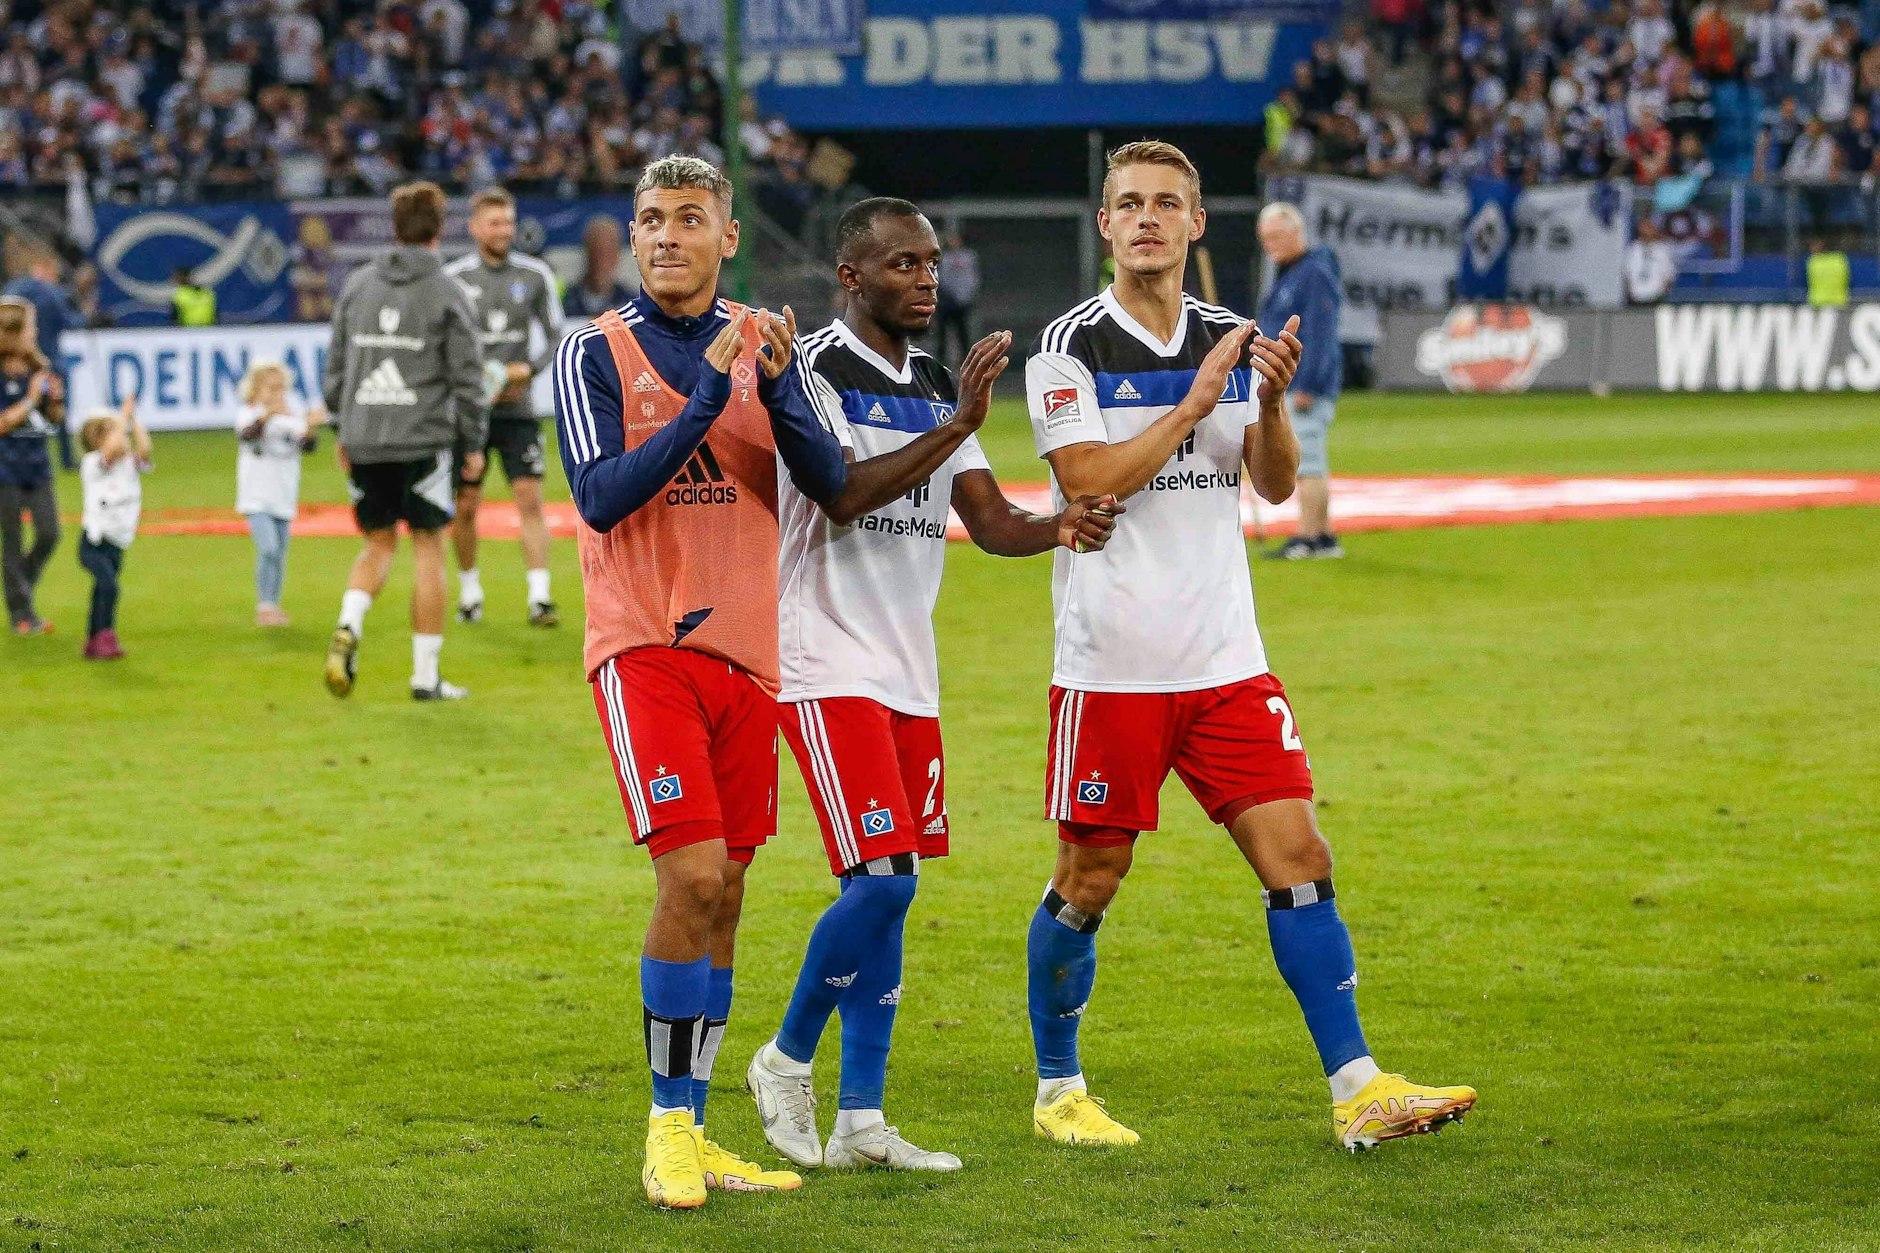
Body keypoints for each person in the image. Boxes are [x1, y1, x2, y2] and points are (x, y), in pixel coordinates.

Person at [1022, 141, 1475, 1152]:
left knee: (1300, 857)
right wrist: (1193, 403)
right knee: (1089, 876)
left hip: (1225, 660)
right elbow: (1090, 480)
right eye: (1127, 204)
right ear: (1104, 226)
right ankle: (1058, 1086)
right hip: (1112, 667)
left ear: (1194, 224)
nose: (1145, 218)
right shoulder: (1067, 347)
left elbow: (1268, 484)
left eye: (1165, 204)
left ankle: (1356, 1087)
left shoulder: (1234, 333)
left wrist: (1265, 401)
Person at [743, 199, 1120, 1174]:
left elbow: (990, 522)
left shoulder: (934, 381)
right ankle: (783, 1059)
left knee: (888, 892)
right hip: (822, 660)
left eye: (932, 262)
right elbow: (838, 491)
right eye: (902, 263)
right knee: (883, 877)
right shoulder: (811, 364)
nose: (926, 277)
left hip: (908, 671)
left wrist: (1063, 523)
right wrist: (956, 422)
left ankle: (861, 1121)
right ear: (852, 275)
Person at [551, 154, 848, 1209]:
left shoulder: (773, 346)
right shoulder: (592, 350)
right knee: (690, 881)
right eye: (649, 219)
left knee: (727, 898)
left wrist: (767, 381)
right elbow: (598, 496)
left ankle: (701, 1118)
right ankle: (666, 1125)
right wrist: (705, 400)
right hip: (644, 649)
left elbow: (834, 486)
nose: (665, 234)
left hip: (750, 659)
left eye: (688, 219)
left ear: (728, 237)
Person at [322, 180, 487, 702]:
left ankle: (350, 621)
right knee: (428, 548)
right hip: (421, 441)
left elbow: (337, 370)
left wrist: (342, 426)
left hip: (364, 437)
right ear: (440, 229)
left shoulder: (359, 285)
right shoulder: (447, 291)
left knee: (375, 544)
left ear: (394, 228)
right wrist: (475, 443)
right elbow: (468, 377)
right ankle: (425, 675)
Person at [442, 187, 565, 627]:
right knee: (465, 505)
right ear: (475, 228)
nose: (503, 230)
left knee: (529, 499)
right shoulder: (454, 278)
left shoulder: (534, 275)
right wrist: (470, 378)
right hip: (471, 412)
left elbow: (555, 336)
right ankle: (471, 591)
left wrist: (526, 371)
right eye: (494, 223)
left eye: (508, 222)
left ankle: (540, 596)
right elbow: (443, 340)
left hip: (518, 409)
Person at [1256, 201, 1345, 560]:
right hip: (1295, 379)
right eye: (1266, 239)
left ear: (1297, 233)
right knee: (1311, 459)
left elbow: (1321, 332)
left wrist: (1308, 382)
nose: (1271, 245)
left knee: (1307, 462)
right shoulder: (1294, 271)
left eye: (1277, 236)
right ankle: (1322, 535)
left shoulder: (1313, 273)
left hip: (1304, 383)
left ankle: (1308, 538)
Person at [236, 361, 324, 626]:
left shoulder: (291, 417)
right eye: (270, 388)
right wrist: (268, 415)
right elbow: (247, 435)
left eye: (280, 388)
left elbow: (307, 445)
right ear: (255, 390)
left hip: (283, 495)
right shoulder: (247, 414)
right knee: (269, 548)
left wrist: (311, 426)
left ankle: (273, 603)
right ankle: (264, 605)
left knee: (280, 553)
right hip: (255, 497)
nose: (276, 394)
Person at [0, 295, 65, 634]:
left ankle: (18, 589)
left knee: (49, 533)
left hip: (37, 464)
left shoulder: (41, 368)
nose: (35, 332)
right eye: (30, 326)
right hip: (5, 469)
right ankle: (21, 614)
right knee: (11, 541)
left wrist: (55, 401)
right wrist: (30, 400)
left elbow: (54, 419)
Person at [76, 396, 150, 660]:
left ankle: (93, 638)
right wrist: (122, 417)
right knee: (109, 586)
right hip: (94, 542)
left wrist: (133, 420)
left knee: (101, 590)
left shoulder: (127, 463)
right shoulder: (94, 463)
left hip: (117, 541)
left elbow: (145, 451)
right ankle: (106, 635)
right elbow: (110, 451)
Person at [4, 247, 79, 471]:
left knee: (14, 409)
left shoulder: (13, 290)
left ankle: (16, 460)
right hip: (49, 361)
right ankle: (65, 458)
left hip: (14, 363)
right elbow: (70, 322)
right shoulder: (54, 294)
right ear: (44, 269)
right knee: (57, 407)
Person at [562, 215, 636, 321]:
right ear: (586, 252)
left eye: (608, 252)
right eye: (597, 250)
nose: (601, 261)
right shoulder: (564, 301)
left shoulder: (631, 304)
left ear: (617, 256)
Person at [934, 229, 979, 369]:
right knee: (942, 335)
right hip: (945, 302)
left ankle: (967, 363)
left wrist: (967, 295)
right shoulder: (943, 258)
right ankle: (940, 364)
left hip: (962, 303)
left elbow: (973, 278)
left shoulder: (969, 256)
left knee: (963, 334)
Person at [1625, 219, 1680, 305]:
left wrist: (1662, 292)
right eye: (1643, 231)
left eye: (1649, 229)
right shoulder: (1633, 249)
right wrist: (1630, 291)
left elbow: (1670, 274)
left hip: (1656, 297)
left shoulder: (1662, 250)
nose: (1646, 233)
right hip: (1636, 297)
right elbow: (1627, 273)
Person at [1806, 237, 1850, 307]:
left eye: (1813, 245)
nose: (1810, 248)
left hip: (1818, 302)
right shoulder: (1840, 259)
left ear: (1821, 245)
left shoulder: (1813, 261)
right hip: (1839, 301)